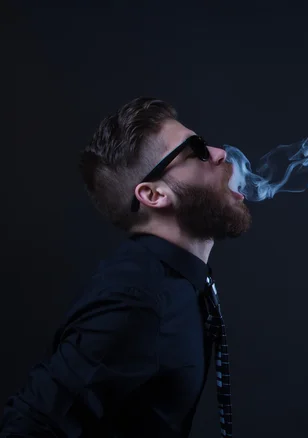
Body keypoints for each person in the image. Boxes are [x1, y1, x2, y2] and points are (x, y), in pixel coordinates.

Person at [0, 97, 251, 437]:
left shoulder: (175, 284)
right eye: (196, 150)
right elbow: (29, 427)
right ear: (153, 194)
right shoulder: (137, 300)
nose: (219, 152)